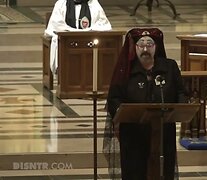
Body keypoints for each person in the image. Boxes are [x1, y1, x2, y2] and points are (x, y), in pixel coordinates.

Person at [107, 28, 188, 180]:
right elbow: (114, 98)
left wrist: (180, 107)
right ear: (134, 47)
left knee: (163, 171)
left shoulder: (169, 67)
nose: (145, 49)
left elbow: (181, 92)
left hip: (163, 133)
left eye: (149, 44)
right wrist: (120, 111)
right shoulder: (126, 70)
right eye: (141, 45)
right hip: (134, 134)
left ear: (156, 47)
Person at [44, 0, 112, 73]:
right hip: (66, 43)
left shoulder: (93, 3)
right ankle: (65, 76)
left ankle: (93, 74)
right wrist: (74, 32)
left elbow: (103, 24)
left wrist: (88, 31)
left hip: (89, 43)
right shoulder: (61, 3)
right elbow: (56, 25)